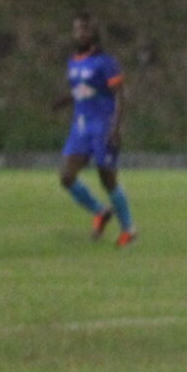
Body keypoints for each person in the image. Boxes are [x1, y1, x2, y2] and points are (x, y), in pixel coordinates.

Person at [57, 13, 134, 247]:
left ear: (94, 33)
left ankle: (129, 229)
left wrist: (115, 127)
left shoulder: (106, 62)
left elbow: (120, 95)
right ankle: (101, 211)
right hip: (80, 127)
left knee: (107, 179)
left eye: (84, 30)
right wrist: (65, 99)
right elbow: (83, 90)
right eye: (76, 29)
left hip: (102, 126)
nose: (79, 34)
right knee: (66, 176)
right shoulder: (74, 61)